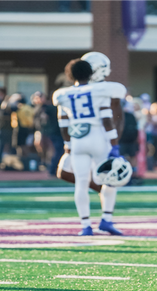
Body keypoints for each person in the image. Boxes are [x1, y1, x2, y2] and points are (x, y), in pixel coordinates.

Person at [54, 52, 126, 235]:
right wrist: (114, 144)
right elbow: (107, 121)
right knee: (110, 179)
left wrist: (67, 145)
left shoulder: (63, 94)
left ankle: (85, 225)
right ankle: (106, 219)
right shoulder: (100, 91)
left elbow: (63, 123)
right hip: (98, 139)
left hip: (77, 141)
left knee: (81, 182)